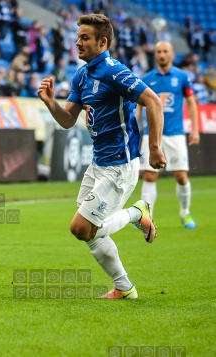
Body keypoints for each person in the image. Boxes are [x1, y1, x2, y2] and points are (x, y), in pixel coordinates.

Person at [37, 14, 166, 299]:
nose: (77, 42)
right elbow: (68, 119)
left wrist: (155, 147)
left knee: (82, 227)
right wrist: (50, 103)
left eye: (85, 38)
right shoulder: (82, 74)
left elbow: (153, 101)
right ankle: (124, 288)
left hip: (120, 163)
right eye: (78, 36)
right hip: (99, 162)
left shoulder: (113, 71)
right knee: (87, 231)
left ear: (102, 42)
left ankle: (136, 213)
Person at [135, 41, 200, 229]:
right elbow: (138, 107)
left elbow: (191, 103)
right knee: (149, 176)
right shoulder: (146, 78)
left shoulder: (182, 77)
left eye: (165, 51)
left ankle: (185, 212)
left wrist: (194, 129)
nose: (161, 55)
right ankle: (147, 218)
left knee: (180, 176)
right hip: (151, 134)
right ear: (155, 55)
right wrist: (134, 128)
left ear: (171, 54)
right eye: (158, 52)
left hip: (175, 134)